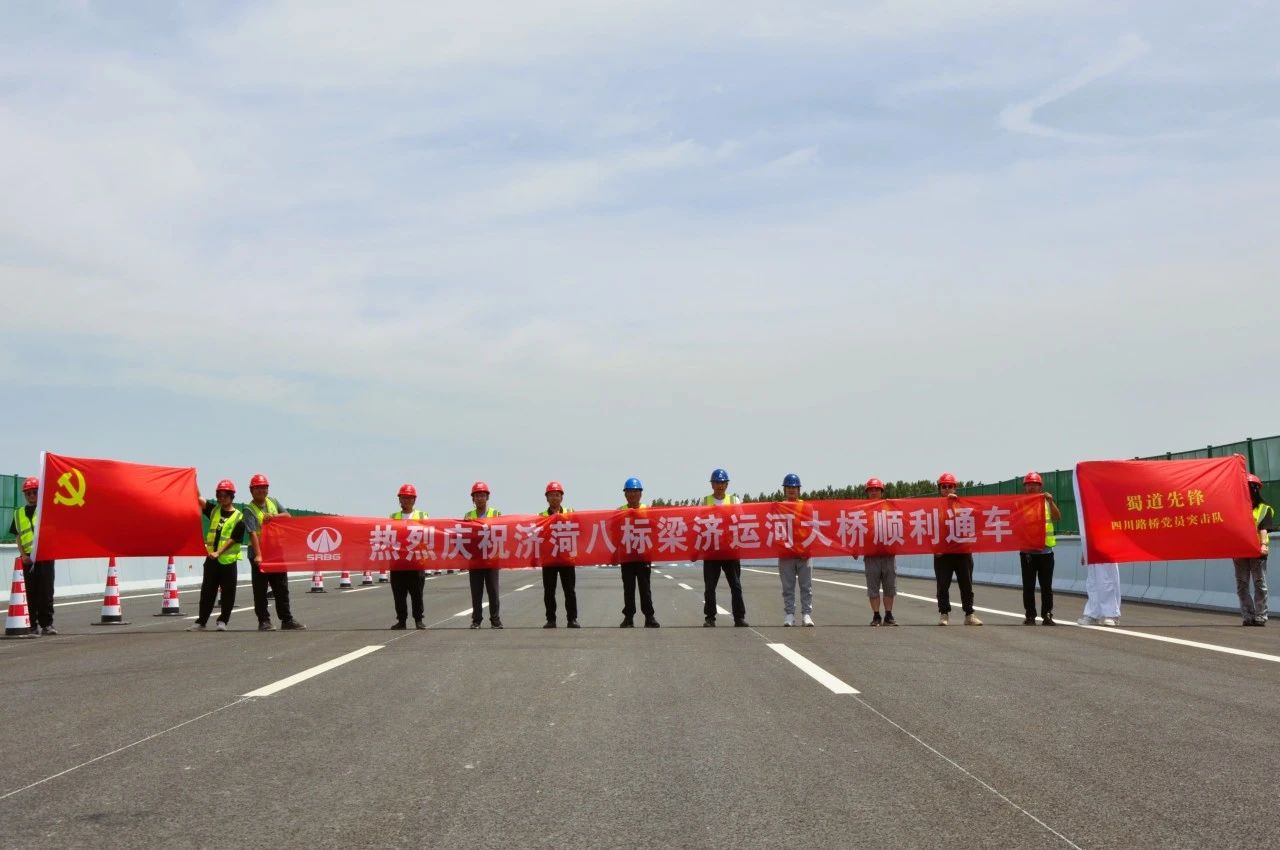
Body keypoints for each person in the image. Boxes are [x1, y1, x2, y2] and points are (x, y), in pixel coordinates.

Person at [243, 473, 306, 631]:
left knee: (281, 588)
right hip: (260, 553)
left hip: (276, 551)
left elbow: (287, 516)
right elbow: (252, 533)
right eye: (257, 488)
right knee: (260, 589)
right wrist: (258, 555)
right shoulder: (248, 510)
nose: (261, 490)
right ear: (251, 490)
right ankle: (264, 621)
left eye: (264, 487)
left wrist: (274, 516)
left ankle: (287, 619)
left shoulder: (273, 502)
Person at [188, 480, 246, 631]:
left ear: (232, 496)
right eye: (219, 495)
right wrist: (192, 480)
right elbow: (199, 499)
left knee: (228, 593)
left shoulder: (239, 517)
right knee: (207, 592)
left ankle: (223, 621)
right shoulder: (214, 511)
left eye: (225, 495)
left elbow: (235, 538)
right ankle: (201, 622)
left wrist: (219, 552)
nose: (222, 498)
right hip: (212, 560)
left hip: (228, 561)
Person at [701, 468, 748, 627]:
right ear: (712, 484)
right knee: (709, 587)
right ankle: (710, 618)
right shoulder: (705, 501)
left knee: (735, 585)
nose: (720, 486)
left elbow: (742, 523)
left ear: (727, 484)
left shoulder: (735, 501)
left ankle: (739, 617)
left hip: (730, 550)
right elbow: (698, 524)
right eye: (716, 482)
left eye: (722, 483)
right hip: (711, 550)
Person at [934, 472, 981, 626]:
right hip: (942, 553)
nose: (947, 489)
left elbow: (977, 518)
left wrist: (957, 504)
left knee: (966, 584)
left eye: (950, 486)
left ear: (955, 488)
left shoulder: (965, 504)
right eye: (944, 486)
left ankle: (969, 614)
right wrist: (935, 548)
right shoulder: (933, 507)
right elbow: (928, 529)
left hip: (962, 550)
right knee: (942, 585)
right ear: (940, 489)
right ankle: (944, 614)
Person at [10, 476, 54, 635]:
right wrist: (22, 555)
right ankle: (32, 625)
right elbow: (18, 536)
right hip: (27, 559)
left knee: (46, 592)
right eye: (28, 493)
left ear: (39, 493)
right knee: (29, 592)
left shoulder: (47, 509)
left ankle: (47, 625)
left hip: (45, 556)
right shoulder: (18, 513)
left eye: (34, 492)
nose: (31, 496)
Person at [1019, 471, 1062, 626]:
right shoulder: (1020, 503)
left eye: (1034, 484)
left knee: (1046, 586)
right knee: (1028, 586)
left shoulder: (1046, 501)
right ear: (1025, 487)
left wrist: (1051, 502)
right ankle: (1030, 615)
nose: (1031, 487)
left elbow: (1057, 517)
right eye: (1029, 484)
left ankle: (1047, 615)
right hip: (1028, 552)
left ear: (1040, 486)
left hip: (1046, 551)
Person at [618, 478, 659, 628]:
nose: (632, 494)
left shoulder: (647, 510)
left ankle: (649, 617)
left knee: (645, 588)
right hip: (627, 556)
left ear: (641, 494)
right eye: (629, 491)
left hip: (643, 556)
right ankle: (628, 617)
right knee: (628, 588)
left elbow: (655, 531)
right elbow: (613, 533)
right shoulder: (620, 511)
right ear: (625, 494)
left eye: (636, 491)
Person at [1234, 473, 1274, 626]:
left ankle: (1261, 616)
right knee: (1242, 584)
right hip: (1239, 551)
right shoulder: (1236, 508)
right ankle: (1248, 615)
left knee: (1259, 583)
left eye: (1248, 488)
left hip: (1257, 551)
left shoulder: (1264, 509)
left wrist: (1264, 545)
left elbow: (1263, 528)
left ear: (1255, 490)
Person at [540, 481, 579, 628]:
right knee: (549, 591)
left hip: (566, 558)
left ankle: (572, 619)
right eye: (551, 495)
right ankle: (551, 619)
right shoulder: (541, 516)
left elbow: (579, 531)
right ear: (547, 498)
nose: (554, 498)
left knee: (569, 590)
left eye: (557, 495)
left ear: (562, 497)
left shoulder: (570, 513)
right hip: (549, 559)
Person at [390, 483, 428, 630]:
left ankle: (418, 619)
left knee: (417, 593)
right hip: (398, 562)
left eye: (409, 498)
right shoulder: (393, 517)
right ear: (399, 500)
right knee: (399, 594)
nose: (406, 501)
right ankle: (402, 620)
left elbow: (428, 534)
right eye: (403, 498)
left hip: (416, 561)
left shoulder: (422, 516)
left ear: (414, 500)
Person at [777, 473, 813, 627]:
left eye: (794, 487)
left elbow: (813, 528)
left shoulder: (806, 507)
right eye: (788, 487)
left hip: (804, 553)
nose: (791, 490)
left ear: (799, 490)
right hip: (786, 553)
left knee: (806, 586)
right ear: (784, 490)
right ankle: (789, 614)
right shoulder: (778, 507)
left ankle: (806, 614)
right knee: (788, 586)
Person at [465, 481, 502, 629]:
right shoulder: (468, 515)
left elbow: (501, 533)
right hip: (475, 559)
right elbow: (465, 536)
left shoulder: (496, 514)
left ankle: (495, 620)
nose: (480, 498)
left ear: (487, 497)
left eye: (482, 495)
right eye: (477, 495)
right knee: (476, 591)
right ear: (473, 499)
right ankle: (476, 620)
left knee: (493, 591)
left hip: (492, 558)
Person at [862, 477, 897, 627]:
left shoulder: (890, 507)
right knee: (873, 587)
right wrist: (855, 549)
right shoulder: (862, 510)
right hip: (871, 555)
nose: (874, 492)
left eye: (877, 489)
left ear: (882, 492)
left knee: (890, 586)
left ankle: (888, 615)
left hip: (888, 554)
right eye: (871, 489)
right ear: (867, 492)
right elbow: (856, 531)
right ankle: (876, 616)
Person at [1078, 556, 1121, 626]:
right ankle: (1093, 614)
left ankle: (1112, 615)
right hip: (1091, 549)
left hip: (1107, 548)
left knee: (1107, 580)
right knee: (1092, 583)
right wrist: (1084, 552)